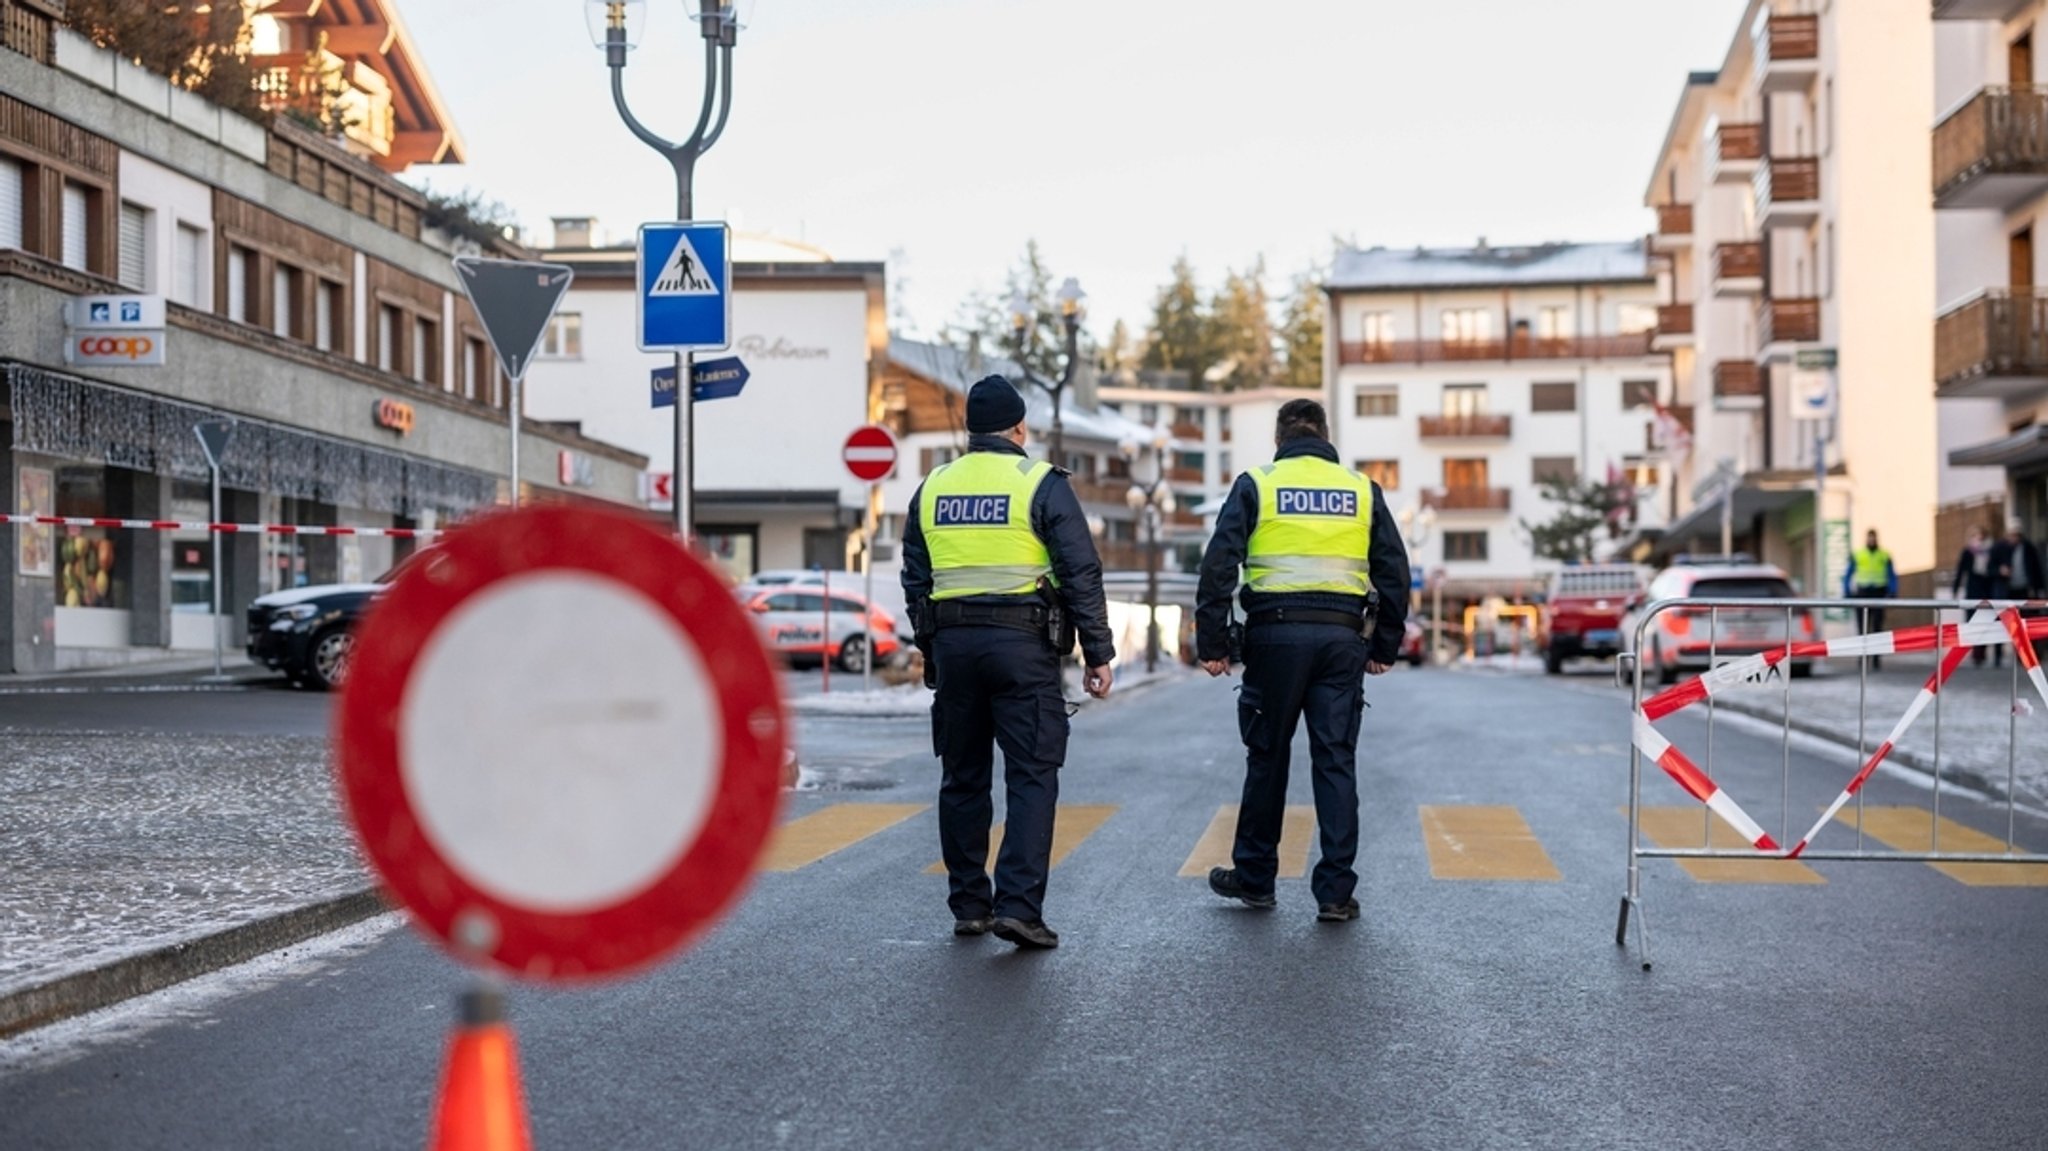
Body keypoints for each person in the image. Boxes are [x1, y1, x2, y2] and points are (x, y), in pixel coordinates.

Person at [900, 375, 1115, 951]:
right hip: (1024, 649)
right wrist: (1099, 652)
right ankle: (1018, 907)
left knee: (963, 777)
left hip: (956, 647)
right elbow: (1080, 572)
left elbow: (915, 576)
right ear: (1020, 428)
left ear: (971, 430)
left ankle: (970, 904)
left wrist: (931, 646)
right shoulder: (1040, 483)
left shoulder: (934, 485)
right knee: (1031, 775)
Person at [1193, 399, 1410, 923]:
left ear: (1278, 438)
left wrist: (1213, 642)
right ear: (1326, 435)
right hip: (1341, 641)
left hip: (1275, 638)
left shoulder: (1257, 483)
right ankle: (1335, 893)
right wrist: (1384, 645)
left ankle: (1256, 878)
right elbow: (1394, 571)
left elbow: (1219, 564)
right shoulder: (1361, 490)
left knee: (1267, 757)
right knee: (1335, 760)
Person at [1843, 528, 1897, 669]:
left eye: (1873, 538)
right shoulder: (1858, 554)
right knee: (1862, 628)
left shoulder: (1884, 555)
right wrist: (1847, 591)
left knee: (1877, 628)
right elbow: (1848, 574)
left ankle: (1876, 658)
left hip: (1879, 593)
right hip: (1862, 593)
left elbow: (1892, 575)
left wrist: (1893, 591)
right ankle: (1862, 657)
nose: (1871, 540)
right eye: (1869, 538)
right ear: (1866, 538)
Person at [1993, 518, 2046, 663]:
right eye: (2012, 534)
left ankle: (2026, 656)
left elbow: (2037, 570)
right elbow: (1989, 569)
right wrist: (2000, 570)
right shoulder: (1999, 548)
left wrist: (2039, 590)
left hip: (2024, 591)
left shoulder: (2028, 548)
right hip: (2005, 592)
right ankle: (1998, 656)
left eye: (2017, 534)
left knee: (2026, 624)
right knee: (2002, 624)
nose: (2014, 538)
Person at [1952, 525, 2001, 668]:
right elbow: (1961, 571)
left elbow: (1994, 569)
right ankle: (1977, 654)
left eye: (1979, 536)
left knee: (1988, 622)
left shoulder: (1991, 551)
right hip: (1973, 592)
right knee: (1973, 622)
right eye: (1974, 536)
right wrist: (1955, 589)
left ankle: (1984, 652)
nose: (1977, 539)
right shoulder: (1968, 552)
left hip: (1987, 591)